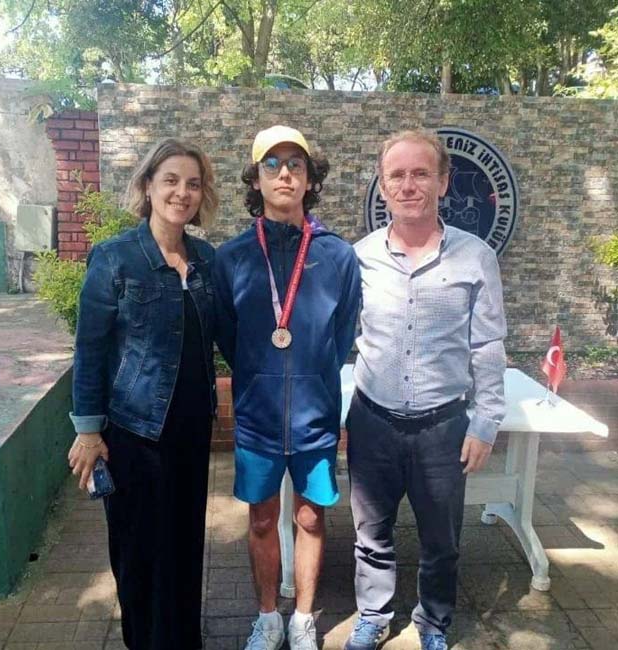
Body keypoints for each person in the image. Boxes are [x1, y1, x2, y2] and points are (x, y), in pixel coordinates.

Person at [344, 130, 507, 650]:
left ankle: (433, 622)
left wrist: (485, 423)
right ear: (382, 185)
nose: (408, 185)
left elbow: (488, 344)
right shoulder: (358, 258)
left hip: (443, 428)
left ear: (443, 181)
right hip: (373, 421)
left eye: (421, 173)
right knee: (371, 534)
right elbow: (336, 336)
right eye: (397, 175)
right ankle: (373, 615)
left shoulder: (476, 257)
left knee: (442, 541)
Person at [67, 138, 219, 650]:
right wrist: (89, 431)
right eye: (171, 180)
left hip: (191, 431)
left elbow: (229, 336)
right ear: (148, 186)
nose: (182, 192)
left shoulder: (206, 260)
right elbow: (89, 349)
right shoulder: (115, 258)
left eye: (193, 183)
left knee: (184, 545)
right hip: (134, 433)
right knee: (137, 552)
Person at [214, 125, 361, 650]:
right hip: (257, 416)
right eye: (271, 164)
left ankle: (301, 618)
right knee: (260, 520)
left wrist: (311, 378)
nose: (284, 174)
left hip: (315, 416)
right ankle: (267, 617)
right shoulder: (231, 257)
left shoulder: (337, 256)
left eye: (295, 164)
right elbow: (228, 335)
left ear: (310, 179)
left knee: (310, 517)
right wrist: (261, 375)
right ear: (255, 179)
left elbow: (340, 335)